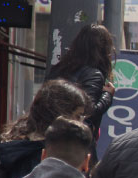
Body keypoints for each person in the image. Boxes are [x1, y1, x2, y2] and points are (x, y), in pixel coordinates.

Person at [47, 23, 117, 158]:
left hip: (52, 138)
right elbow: (89, 111)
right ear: (103, 49)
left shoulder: (59, 69)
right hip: (76, 144)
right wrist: (107, 96)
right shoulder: (94, 74)